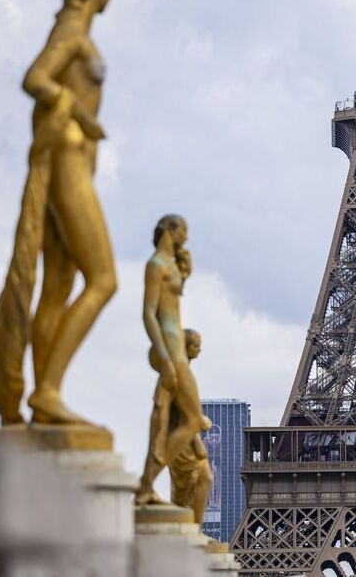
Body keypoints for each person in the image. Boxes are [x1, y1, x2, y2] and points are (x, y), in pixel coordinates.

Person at [0, 0, 118, 426]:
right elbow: (35, 78)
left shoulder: (75, 31)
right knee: (104, 278)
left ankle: (46, 396)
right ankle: (46, 390)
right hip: (67, 159)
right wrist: (81, 115)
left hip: (71, 157)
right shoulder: (72, 32)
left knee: (59, 285)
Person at [136, 214, 203, 506]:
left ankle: (147, 482)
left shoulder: (170, 265)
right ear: (170, 231)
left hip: (177, 349)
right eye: (184, 231)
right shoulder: (156, 265)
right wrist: (164, 358)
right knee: (193, 420)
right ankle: (147, 482)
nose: (186, 237)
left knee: (187, 420)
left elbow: (171, 304)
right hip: (172, 353)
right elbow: (148, 312)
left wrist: (184, 272)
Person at [167, 329, 214, 522]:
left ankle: (195, 527)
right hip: (181, 441)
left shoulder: (185, 372)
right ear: (186, 348)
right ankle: (189, 527)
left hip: (190, 439)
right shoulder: (176, 372)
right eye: (196, 345)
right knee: (184, 491)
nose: (200, 350)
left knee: (205, 480)